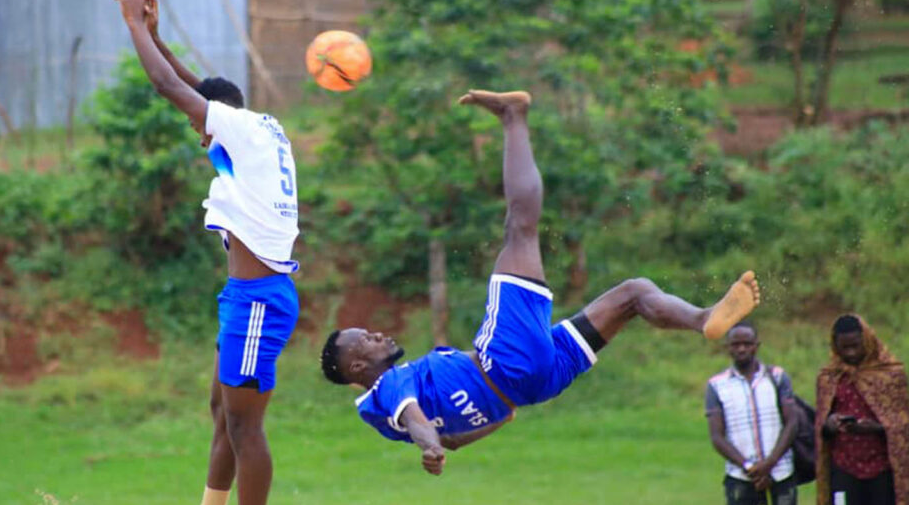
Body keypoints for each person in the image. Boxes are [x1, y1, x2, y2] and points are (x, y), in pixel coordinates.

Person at [319, 89, 761, 476]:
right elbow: (419, 421)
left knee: (634, 293)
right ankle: (513, 115)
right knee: (520, 228)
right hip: (505, 364)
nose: (378, 336)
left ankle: (705, 318)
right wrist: (429, 446)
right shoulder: (388, 387)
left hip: (534, 385)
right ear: (358, 367)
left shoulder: (379, 414)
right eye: (368, 340)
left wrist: (495, 417)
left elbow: (451, 438)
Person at [115, 0, 300, 505]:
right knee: (222, 410)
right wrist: (153, 29)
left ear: (215, 122)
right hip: (247, 299)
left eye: (202, 128)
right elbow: (192, 86)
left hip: (258, 302)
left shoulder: (237, 135)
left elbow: (171, 88)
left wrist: (130, 26)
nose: (200, 138)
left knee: (246, 427)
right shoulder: (256, 128)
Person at [815, 314, 909, 505]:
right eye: (844, 348)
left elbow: (902, 424)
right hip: (844, 465)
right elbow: (820, 426)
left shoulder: (890, 375)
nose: (851, 353)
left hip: (881, 467)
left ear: (867, 341)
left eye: (855, 346)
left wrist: (877, 428)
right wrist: (829, 424)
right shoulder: (829, 377)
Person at [705, 321, 799, 505]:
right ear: (728, 348)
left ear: (757, 346)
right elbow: (717, 436)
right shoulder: (717, 385)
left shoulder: (777, 378)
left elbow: (792, 424)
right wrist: (749, 465)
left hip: (780, 472)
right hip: (739, 474)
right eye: (736, 344)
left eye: (747, 344)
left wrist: (769, 463)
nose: (742, 349)